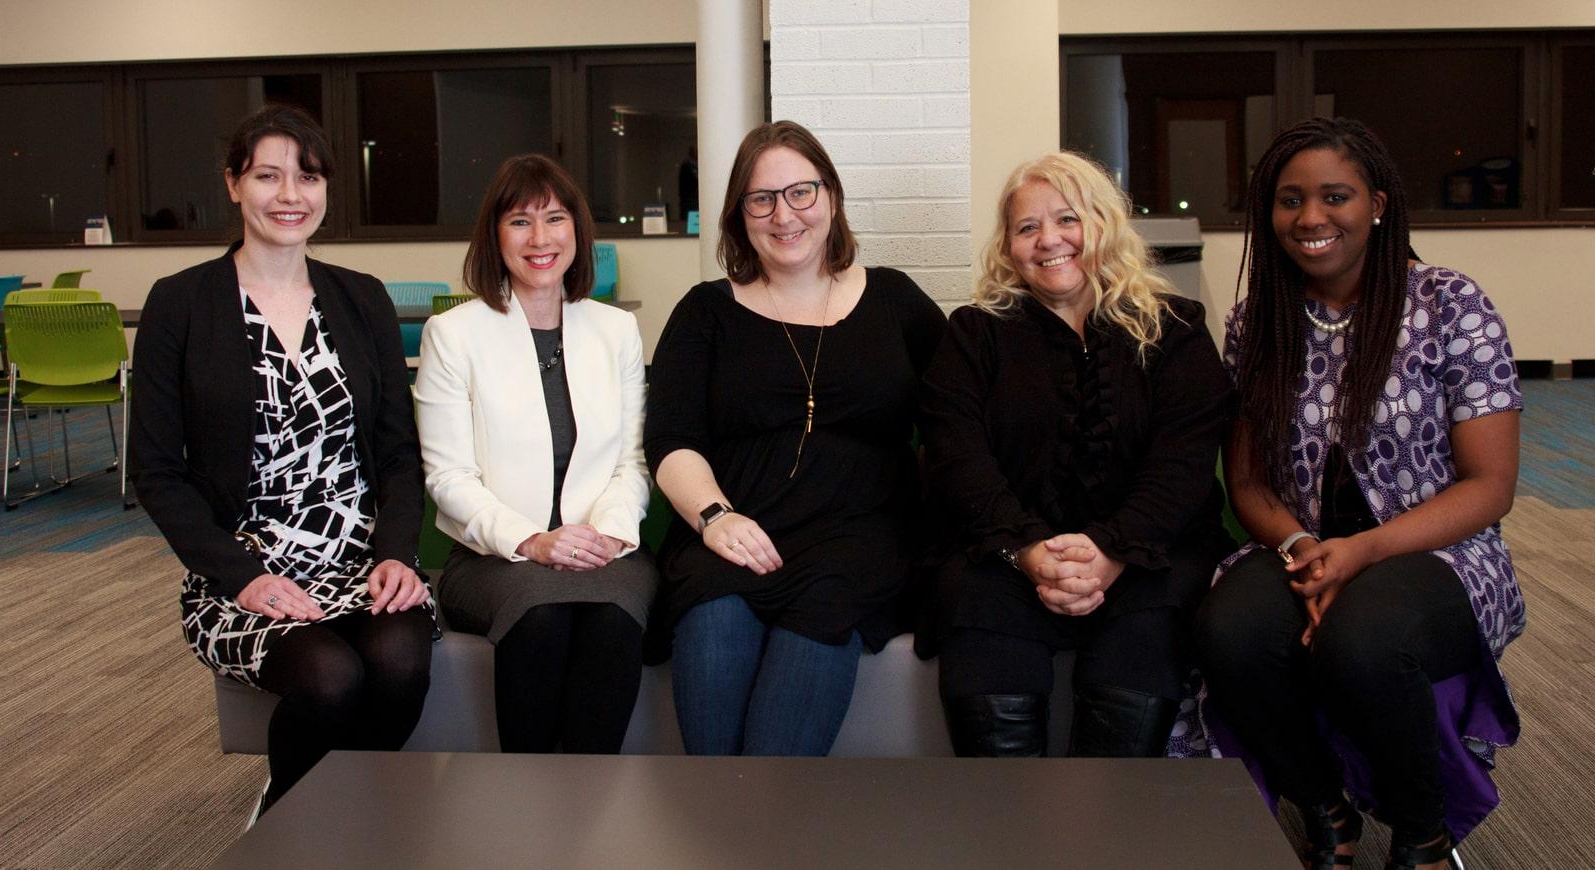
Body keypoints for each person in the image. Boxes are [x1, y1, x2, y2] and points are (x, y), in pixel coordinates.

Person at [1193, 117, 1524, 870]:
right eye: (1289, 200)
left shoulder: (1449, 304)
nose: (1310, 218)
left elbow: (1492, 487)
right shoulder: (1260, 320)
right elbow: (1244, 480)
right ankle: (1325, 809)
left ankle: (1423, 837)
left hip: (1441, 552)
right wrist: (1307, 549)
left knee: (1363, 641)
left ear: (1377, 203)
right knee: (1230, 631)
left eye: (1334, 196)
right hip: (1298, 543)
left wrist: (1361, 554)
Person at [130, 105, 432, 810]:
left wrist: (396, 553)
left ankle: (353, 811)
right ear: (234, 184)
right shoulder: (181, 304)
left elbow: (397, 453)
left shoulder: (362, 298)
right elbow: (157, 471)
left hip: (360, 561)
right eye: (268, 175)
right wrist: (242, 577)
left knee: (400, 663)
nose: (290, 194)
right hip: (243, 570)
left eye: (308, 176)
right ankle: (289, 822)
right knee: (329, 679)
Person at [916, 151, 1232, 758]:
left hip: (1148, 555)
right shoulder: (974, 333)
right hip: (1005, 553)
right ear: (1008, 247)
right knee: (976, 601)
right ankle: (1012, 837)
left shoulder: (1177, 329)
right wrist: (1030, 551)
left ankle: (1099, 837)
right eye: (1027, 228)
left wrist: (1112, 549)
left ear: (1102, 225)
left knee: (1151, 618)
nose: (1048, 240)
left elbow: (1183, 466)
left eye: (1067, 219)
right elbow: (958, 460)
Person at [644, 120, 945, 756]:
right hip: (733, 536)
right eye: (762, 198)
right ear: (739, 215)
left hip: (856, 543)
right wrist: (714, 518)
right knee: (710, 628)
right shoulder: (705, 312)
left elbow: (962, 417)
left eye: (801, 192)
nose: (784, 215)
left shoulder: (896, 301)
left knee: (782, 741)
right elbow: (671, 438)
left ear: (830, 198)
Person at [414, 154, 656, 754]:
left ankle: (588, 817)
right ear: (495, 237)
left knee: (612, 616)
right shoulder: (454, 335)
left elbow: (633, 463)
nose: (541, 238)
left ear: (578, 229)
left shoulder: (615, 331)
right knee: (541, 614)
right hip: (494, 557)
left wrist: (603, 536)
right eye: (520, 222)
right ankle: (526, 813)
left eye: (555, 218)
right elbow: (448, 476)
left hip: (606, 548)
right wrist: (533, 541)